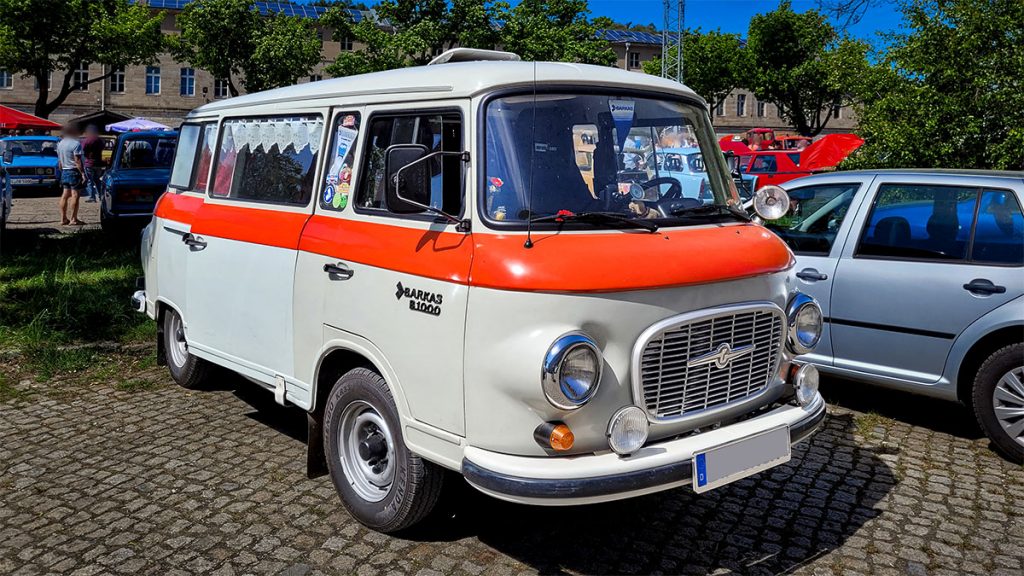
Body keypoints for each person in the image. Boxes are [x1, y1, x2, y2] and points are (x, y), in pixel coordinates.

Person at [56, 124, 86, 225]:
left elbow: (59, 161)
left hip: (64, 170)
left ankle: (63, 218)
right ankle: (73, 218)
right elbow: (77, 160)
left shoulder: (60, 144)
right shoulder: (76, 144)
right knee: (75, 195)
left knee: (64, 195)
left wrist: (61, 170)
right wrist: (82, 173)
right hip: (73, 170)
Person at [80, 125, 104, 202]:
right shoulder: (99, 140)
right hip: (98, 163)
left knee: (90, 181)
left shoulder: (87, 140)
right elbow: (102, 147)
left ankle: (92, 197)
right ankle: (101, 196)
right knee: (97, 180)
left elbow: (83, 149)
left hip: (89, 163)